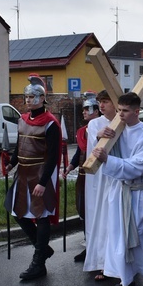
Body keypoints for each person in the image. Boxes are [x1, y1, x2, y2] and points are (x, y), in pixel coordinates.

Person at [90, 92, 143, 286]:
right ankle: (124, 275)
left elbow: (138, 166)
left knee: (140, 233)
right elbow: (105, 147)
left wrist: (108, 160)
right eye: (119, 110)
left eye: (125, 111)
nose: (120, 114)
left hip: (140, 192)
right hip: (120, 189)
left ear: (136, 111)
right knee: (118, 233)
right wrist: (100, 138)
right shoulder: (118, 129)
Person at [4, 76, 62, 280]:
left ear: (42, 98)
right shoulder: (23, 119)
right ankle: (43, 248)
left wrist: (44, 182)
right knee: (17, 212)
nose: (28, 100)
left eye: (32, 96)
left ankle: (38, 262)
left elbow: (53, 156)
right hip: (23, 173)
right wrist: (11, 163)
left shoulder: (50, 123)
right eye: (26, 96)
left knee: (42, 214)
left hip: (40, 172)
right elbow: (19, 146)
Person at [83, 90, 119, 280]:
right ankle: (101, 261)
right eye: (100, 102)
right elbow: (92, 150)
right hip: (99, 179)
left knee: (116, 220)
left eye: (106, 101)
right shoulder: (94, 123)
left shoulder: (124, 121)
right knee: (100, 218)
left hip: (118, 175)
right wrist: (98, 136)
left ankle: (119, 264)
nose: (102, 106)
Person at [64, 96, 100, 262]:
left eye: (88, 109)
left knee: (96, 213)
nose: (84, 112)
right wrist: (70, 167)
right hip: (82, 176)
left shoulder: (101, 129)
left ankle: (98, 247)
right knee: (83, 211)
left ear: (96, 110)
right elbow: (80, 152)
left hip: (96, 177)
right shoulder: (83, 131)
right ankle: (89, 246)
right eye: (84, 109)